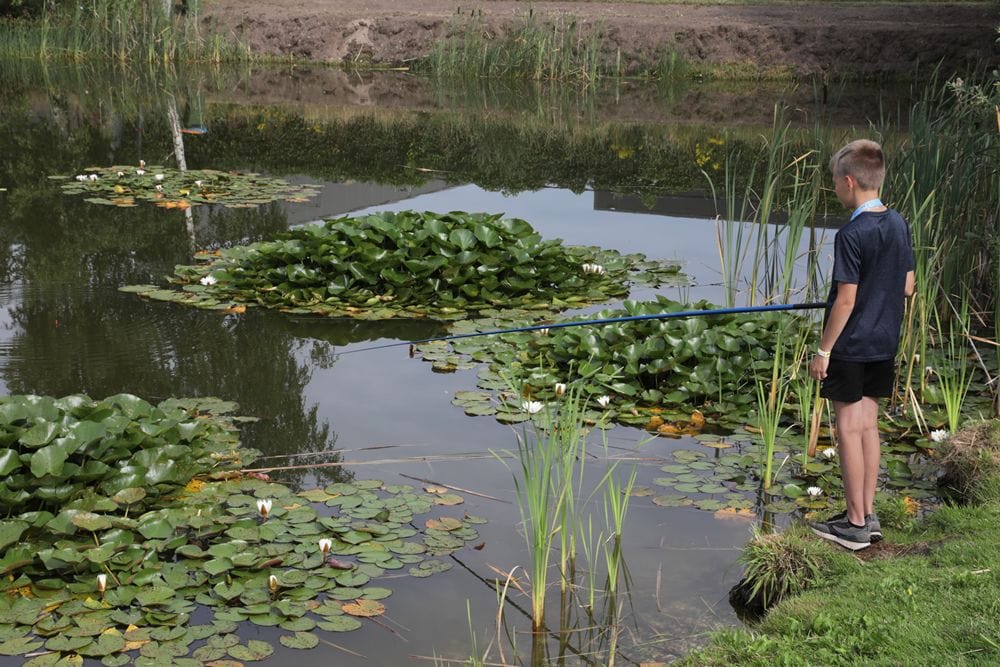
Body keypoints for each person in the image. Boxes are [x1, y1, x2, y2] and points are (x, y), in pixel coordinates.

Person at [808, 139, 915, 551]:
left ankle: (854, 524)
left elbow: (847, 300)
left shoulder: (851, 232)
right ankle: (867, 515)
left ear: (849, 182)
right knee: (868, 427)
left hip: (852, 345)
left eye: (835, 182)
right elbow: (907, 287)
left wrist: (823, 351)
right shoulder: (898, 223)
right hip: (884, 342)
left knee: (849, 430)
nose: (835, 189)